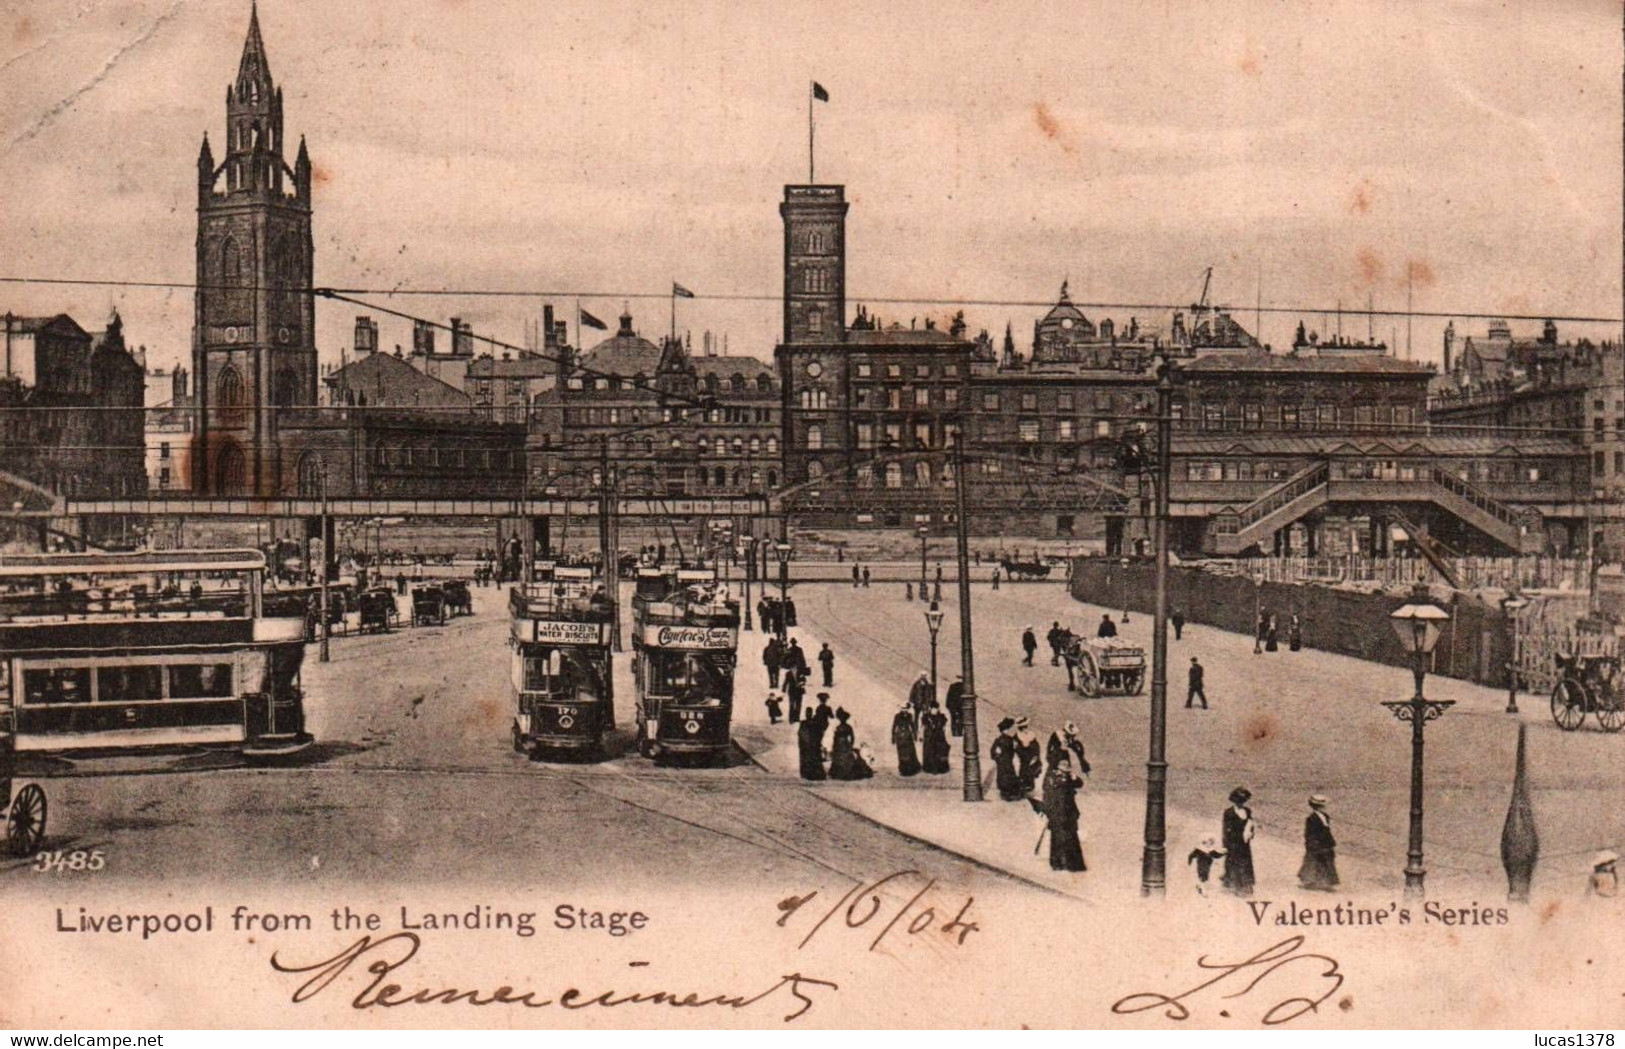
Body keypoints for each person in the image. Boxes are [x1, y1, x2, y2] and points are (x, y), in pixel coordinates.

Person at [1041, 750, 1086, 872]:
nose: (1065, 767)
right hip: (1057, 812)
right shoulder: (1051, 777)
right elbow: (1048, 795)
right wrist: (1048, 811)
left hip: (1069, 812)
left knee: (1071, 837)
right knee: (1057, 838)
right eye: (1063, 764)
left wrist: (1074, 777)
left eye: (1067, 764)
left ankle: (1073, 864)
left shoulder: (1069, 776)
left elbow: (1080, 784)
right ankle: (1057, 863)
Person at [1221, 787, 1257, 897]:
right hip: (1233, 842)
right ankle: (1237, 886)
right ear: (1235, 800)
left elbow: (1250, 825)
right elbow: (1226, 830)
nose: (1242, 803)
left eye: (1243, 801)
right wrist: (1226, 845)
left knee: (1245, 862)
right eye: (1240, 801)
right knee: (1235, 862)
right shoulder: (1229, 812)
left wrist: (1251, 833)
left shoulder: (1247, 811)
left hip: (1244, 842)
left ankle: (1244, 884)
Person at [1298, 794, 1338, 891]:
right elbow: (1310, 833)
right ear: (1319, 807)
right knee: (1314, 862)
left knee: (1327, 862)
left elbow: (1327, 830)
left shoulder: (1325, 816)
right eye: (1323, 806)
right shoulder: (1311, 819)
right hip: (1316, 844)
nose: (1324, 807)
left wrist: (1331, 841)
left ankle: (1326, 883)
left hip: (1326, 843)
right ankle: (1312, 882)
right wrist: (1312, 844)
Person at [828, 708, 873, 780]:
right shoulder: (838, 727)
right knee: (838, 758)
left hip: (845, 744)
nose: (842, 720)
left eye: (843, 718)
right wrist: (834, 746)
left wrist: (850, 745)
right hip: (839, 745)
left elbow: (852, 737)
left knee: (847, 758)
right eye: (841, 718)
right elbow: (835, 738)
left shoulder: (848, 727)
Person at [990, 718, 1022, 800]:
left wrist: (996, 757)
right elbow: (1015, 748)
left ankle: (1006, 793)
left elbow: (993, 750)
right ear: (1006, 729)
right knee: (1008, 775)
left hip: (1003, 760)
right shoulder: (1007, 739)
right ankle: (1009, 793)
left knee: (1004, 775)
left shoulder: (1001, 738)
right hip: (1006, 760)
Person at [921, 699, 950, 774]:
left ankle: (940, 768)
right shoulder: (926, 716)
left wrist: (945, 734)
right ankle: (929, 768)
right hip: (929, 736)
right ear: (930, 709)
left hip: (939, 736)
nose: (935, 710)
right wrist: (921, 735)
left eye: (936, 709)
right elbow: (922, 726)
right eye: (933, 709)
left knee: (939, 751)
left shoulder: (941, 716)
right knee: (929, 751)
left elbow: (945, 727)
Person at [891, 703, 921, 777]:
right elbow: (894, 726)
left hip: (908, 736)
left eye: (906, 708)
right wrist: (893, 737)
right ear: (900, 709)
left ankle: (911, 769)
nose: (904, 710)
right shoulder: (897, 716)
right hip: (900, 736)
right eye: (903, 708)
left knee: (910, 752)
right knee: (902, 753)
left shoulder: (910, 716)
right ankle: (904, 769)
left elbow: (912, 725)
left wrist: (915, 735)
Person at [1016, 717, 1042, 795]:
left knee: (1031, 771)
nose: (1026, 729)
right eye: (1024, 727)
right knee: (1024, 770)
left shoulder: (1031, 734)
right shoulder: (1018, 736)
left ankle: (1030, 785)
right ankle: (1023, 785)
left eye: (1026, 727)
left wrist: (1036, 755)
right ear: (1021, 728)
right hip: (1024, 757)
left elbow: (1036, 746)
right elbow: (1017, 748)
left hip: (1032, 756)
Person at [797, 711, 826, 781]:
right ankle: (809, 773)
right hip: (809, 744)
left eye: (809, 713)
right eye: (807, 713)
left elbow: (800, 733)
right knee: (810, 759)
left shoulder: (810, 723)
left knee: (810, 759)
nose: (808, 715)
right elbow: (800, 733)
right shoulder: (805, 723)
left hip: (811, 744)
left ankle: (810, 773)